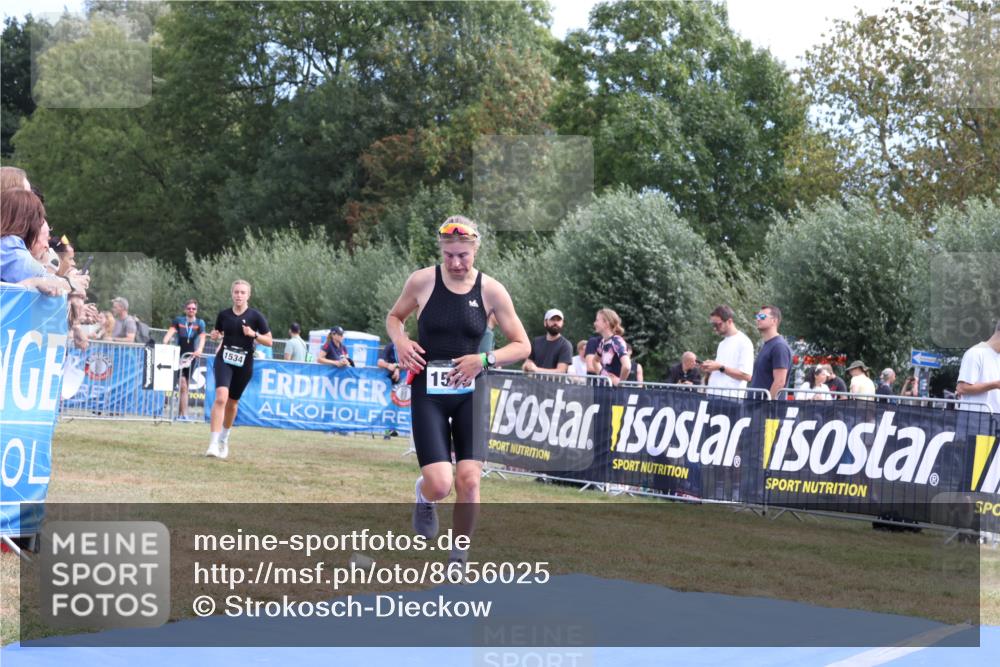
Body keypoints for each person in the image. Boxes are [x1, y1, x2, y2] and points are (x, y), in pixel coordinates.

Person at [386, 215, 529, 572]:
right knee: (440, 484)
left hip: (471, 392)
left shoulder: (491, 290)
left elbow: (522, 345)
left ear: (475, 250)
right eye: (448, 255)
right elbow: (394, 317)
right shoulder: (422, 281)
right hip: (429, 391)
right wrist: (401, 341)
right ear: (441, 250)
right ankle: (424, 496)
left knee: (469, 479)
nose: (455, 263)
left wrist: (484, 359)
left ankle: (458, 557)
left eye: (463, 255)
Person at [205, 279, 272, 459]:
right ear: (232, 294)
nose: (239, 295)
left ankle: (223, 439)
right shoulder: (224, 315)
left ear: (248, 295)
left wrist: (254, 334)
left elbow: (269, 341)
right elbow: (217, 333)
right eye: (236, 292)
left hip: (244, 363)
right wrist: (214, 335)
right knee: (221, 397)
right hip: (224, 359)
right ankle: (212, 444)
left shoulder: (256, 316)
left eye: (242, 292)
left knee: (232, 403)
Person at [163, 299, 207, 421]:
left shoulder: (200, 323)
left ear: (196, 310)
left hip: (191, 357)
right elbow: (170, 333)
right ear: (185, 310)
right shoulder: (178, 320)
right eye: (189, 308)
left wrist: (200, 349)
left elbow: (202, 338)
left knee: (184, 386)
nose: (191, 310)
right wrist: (165, 342)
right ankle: (183, 415)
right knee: (182, 384)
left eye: (193, 308)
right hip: (178, 356)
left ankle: (182, 415)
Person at [701, 305, 754, 395]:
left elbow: (747, 376)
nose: (715, 328)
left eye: (718, 324)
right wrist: (710, 367)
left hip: (730, 398)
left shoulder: (744, 342)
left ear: (729, 321)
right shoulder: (722, 344)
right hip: (713, 395)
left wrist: (720, 367)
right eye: (713, 325)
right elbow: (721, 370)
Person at [956, 319, 1000, 414]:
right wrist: (995, 384)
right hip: (974, 420)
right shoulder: (976, 353)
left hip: (994, 419)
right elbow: (962, 388)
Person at [749, 305, 792, 399]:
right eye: (757, 316)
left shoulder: (779, 346)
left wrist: (768, 404)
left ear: (774, 321)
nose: (758, 319)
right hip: (754, 404)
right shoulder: (767, 345)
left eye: (762, 316)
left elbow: (780, 382)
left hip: (765, 406)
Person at [522, 308, 573, 374]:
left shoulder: (565, 345)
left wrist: (537, 370)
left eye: (558, 320)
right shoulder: (536, 342)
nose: (555, 323)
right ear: (545, 322)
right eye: (552, 319)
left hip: (553, 381)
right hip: (533, 380)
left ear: (562, 323)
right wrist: (526, 367)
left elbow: (561, 371)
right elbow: (528, 362)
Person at [594, 308, 630, 386]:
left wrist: (620, 383)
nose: (595, 323)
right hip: (604, 389)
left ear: (606, 323)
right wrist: (604, 376)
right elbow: (595, 361)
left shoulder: (617, 341)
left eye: (597, 320)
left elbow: (627, 366)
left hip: (614, 391)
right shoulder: (603, 342)